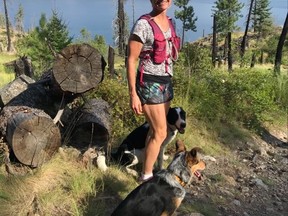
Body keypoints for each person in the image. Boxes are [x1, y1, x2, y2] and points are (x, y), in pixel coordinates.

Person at [126, 0, 180, 182]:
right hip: (148, 83)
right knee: (161, 132)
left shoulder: (170, 22)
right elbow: (131, 59)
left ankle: (148, 168)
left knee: (154, 132)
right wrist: (133, 93)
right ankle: (147, 177)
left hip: (166, 81)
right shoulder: (143, 25)